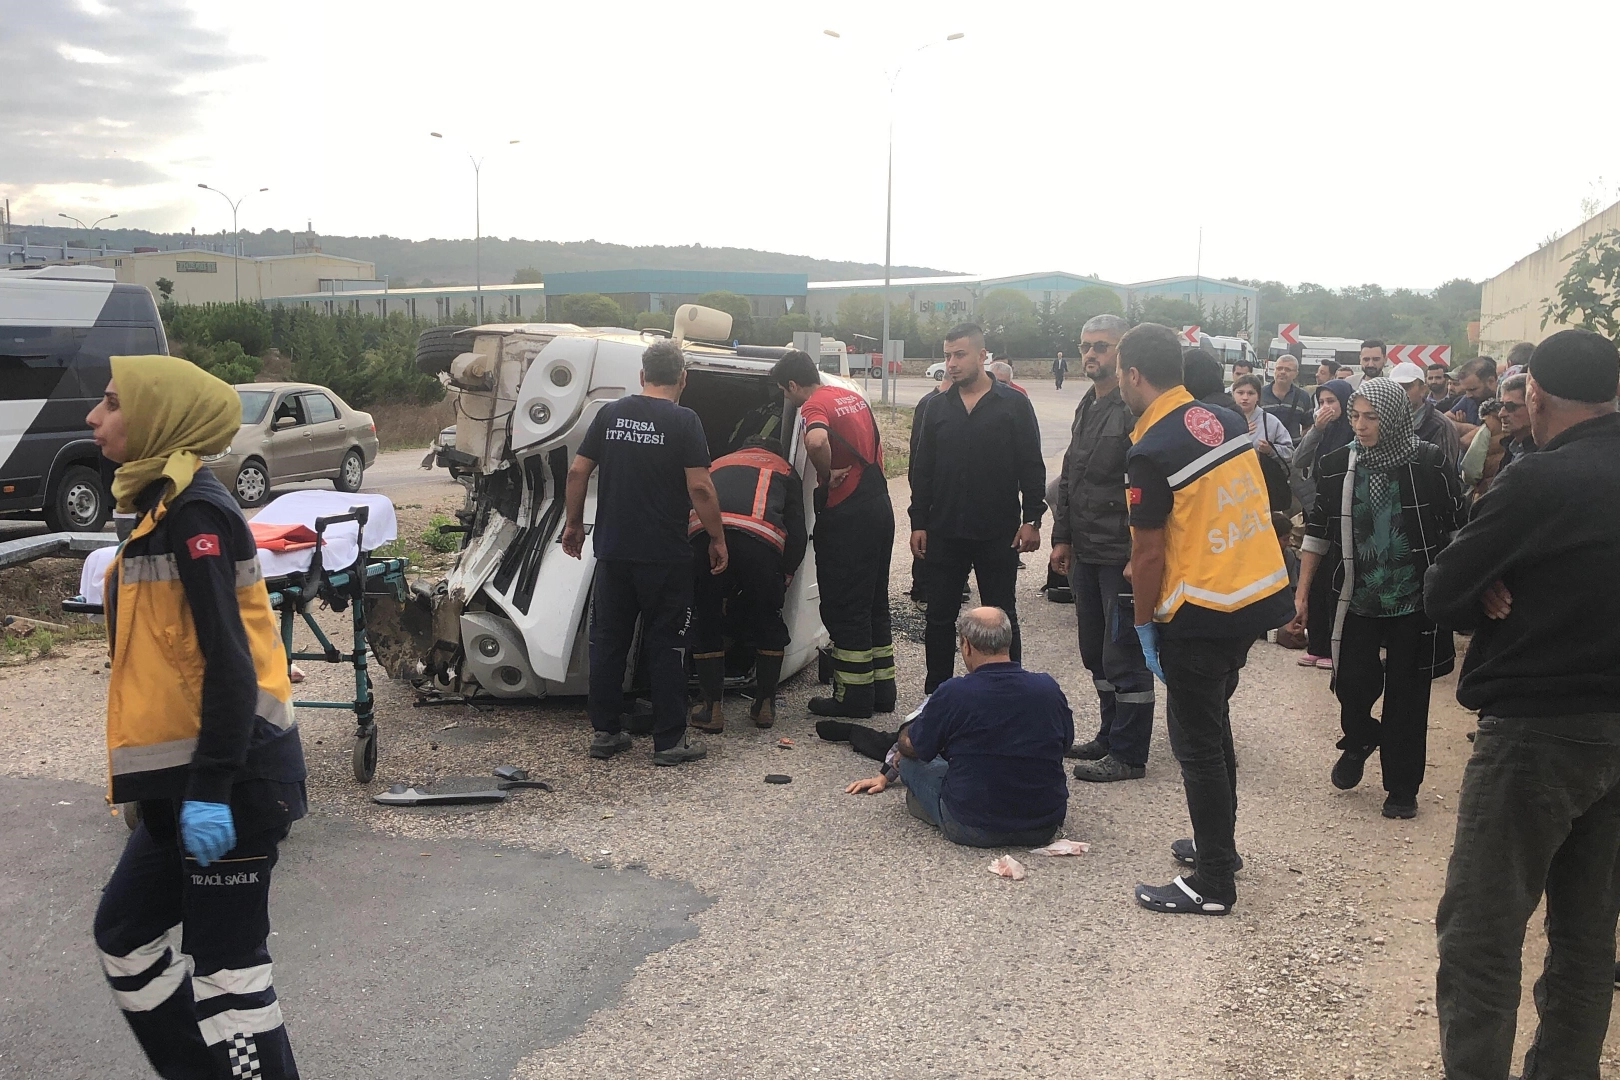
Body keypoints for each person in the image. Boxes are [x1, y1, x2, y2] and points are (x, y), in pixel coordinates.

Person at [87, 356, 305, 1080]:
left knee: (228, 976)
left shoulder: (195, 514)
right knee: (124, 936)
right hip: (180, 787)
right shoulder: (158, 506)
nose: (95, 417)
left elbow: (230, 666)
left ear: (158, 417)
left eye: (113, 403)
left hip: (231, 783)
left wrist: (210, 787)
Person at [1424, 328, 1620, 1080]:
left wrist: (1488, 584)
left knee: (1481, 937)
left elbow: (1444, 587)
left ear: (1534, 395)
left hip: (1537, 733)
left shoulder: (1540, 479)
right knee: (1586, 937)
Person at [1119, 323, 1293, 915]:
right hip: (1250, 597)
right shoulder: (1219, 419)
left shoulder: (1150, 450)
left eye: (1120, 370)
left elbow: (1147, 554)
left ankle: (1214, 883)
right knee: (1215, 730)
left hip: (1200, 612)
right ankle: (1219, 847)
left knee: (1197, 746)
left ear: (1134, 374)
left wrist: (1146, 627)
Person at [1292, 378, 1464, 819]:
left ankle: (1402, 789)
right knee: (1349, 683)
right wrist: (1303, 592)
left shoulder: (1428, 462)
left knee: (1408, 696)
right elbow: (1317, 531)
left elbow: (1457, 526)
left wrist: (1463, 587)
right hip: (1356, 596)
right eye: (1355, 417)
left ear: (1393, 418)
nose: (1362, 426)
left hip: (1414, 597)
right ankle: (1361, 735)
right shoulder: (1336, 465)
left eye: (1372, 417)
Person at [563, 339, 722, 766]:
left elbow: (578, 470)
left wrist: (573, 525)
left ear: (641, 376)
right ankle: (669, 742)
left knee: (609, 642)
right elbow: (701, 487)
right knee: (667, 644)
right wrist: (718, 537)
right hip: (665, 557)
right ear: (682, 379)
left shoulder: (609, 414)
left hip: (613, 552)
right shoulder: (684, 420)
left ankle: (606, 733)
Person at [909, 324, 1045, 701]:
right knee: (938, 618)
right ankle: (936, 696)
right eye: (948, 355)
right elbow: (922, 470)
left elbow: (1031, 465)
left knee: (1001, 617)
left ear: (983, 356)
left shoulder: (1013, 404)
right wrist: (918, 521)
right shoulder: (935, 408)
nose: (951, 364)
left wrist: (1032, 519)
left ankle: (1008, 696)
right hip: (944, 531)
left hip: (997, 532)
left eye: (960, 355)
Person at [1050, 313, 1155, 784]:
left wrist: (1140, 553)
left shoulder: (1134, 411)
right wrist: (1062, 537)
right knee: (1094, 650)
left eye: (1102, 346)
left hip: (1120, 555)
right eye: (1085, 345)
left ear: (1123, 355)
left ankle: (1130, 754)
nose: (1091, 354)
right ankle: (1108, 735)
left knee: (1124, 653)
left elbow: (1146, 488)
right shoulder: (1087, 407)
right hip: (1087, 550)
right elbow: (1070, 476)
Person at [774, 349, 897, 718]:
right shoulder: (852, 396)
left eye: (785, 392)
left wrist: (826, 475)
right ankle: (881, 692)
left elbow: (814, 442)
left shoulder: (814, 405)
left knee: (845, 607)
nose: (788, 399)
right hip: (879, 506)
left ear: (794, 384)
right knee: (874, 603)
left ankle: (853, 698)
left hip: (848, 515)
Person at [888, 607, 1073, 847]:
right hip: (1043, 824)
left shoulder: (954, 693)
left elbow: (916, 748)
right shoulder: (1048, 688)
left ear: (966, 645)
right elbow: (1065, 743)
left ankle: (932, 808)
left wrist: (904, 740)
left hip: (971, 824)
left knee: (910, 763)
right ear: (1008, 641)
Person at [685, 436, 806, 733]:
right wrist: (785, 575)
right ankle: (764, 705)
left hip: (706, 536)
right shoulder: (785, 469)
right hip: (760, 542)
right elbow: (798, 533)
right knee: (768, 620)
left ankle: (711, 709)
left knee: (708, 617)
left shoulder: (718, 462)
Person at [1231, 373, 1294, 511]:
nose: (1245, 397)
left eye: (1250, 393)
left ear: (1258, 396)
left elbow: (1290, 452)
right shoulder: (1226, 420)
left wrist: (1270, 450)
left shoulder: (1270, 421)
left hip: (1263, 486)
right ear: (1233, 394)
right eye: (1240, 392)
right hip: (1232, 488)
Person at [1389, 360, 1462, 475]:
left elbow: (1443, 474)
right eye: (1395, 387)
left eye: (1406, 387)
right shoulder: (1385, 422)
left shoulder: (1440, 425)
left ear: (1422, 390)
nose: (1400, 392)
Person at [906, 383, 942, 602]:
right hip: (931, 496)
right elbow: (919, 457)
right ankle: (922, 588)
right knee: (924, 545)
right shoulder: (930, 404)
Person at [1261, 354, 1314, 439]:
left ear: (1296, 374)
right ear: (1274, 371)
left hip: (1293, 449)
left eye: (1288, 369)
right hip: (1265, 448)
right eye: (1279, 368)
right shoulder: (1260, 394)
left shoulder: (1303, 396)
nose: (1282, 372)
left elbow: (1308, 425)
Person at [1494, 372, 1536, 472]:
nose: (1501, 414)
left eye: (1511, 407)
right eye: (1500, 405)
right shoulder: (1511, 447)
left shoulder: (1541, 455)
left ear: (1533, 405)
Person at [1447, 356, 1498, 429]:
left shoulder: (1504, 403)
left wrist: (1464, 428)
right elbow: (1444, 421)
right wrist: (1465, 426)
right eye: (1466, 390)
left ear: (1491, 381)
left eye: (1472, 389)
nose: (1468, 395)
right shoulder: (1470, 398)